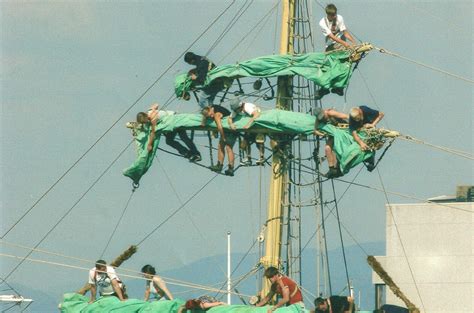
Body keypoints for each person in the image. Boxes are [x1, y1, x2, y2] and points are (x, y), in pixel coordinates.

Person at [315, 4, 357, 100]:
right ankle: (324, 88)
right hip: (331, 45)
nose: (335, 16)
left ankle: (339, 87)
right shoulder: (322, 23)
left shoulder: (339, 18)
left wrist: (354, 42)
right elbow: (331, 37)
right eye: (333, 15)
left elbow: (345, 32)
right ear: (328, 15)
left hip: (341, 43)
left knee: (344, 65)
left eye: (335, 14)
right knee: (327, 66)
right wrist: (345, 44)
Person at [137, 103, 201, 161]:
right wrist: (154, 109)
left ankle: (195, 153)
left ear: (146, 117)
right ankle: (187, 153)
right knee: (170, 141)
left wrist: (149, 145)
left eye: (144, 122)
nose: (145, 123)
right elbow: (156, 104)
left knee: (183, 137)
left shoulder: (153, 118)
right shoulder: (149, 111)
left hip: (175, 119)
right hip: (170, 123)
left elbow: (153, 132)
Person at [313, 107, 349, 179]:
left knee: (337, 148)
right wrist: (322, 134)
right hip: (333, 133)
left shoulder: (331, 113)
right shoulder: (318, 119)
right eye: (321, 118)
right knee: (327, 148)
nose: (323, 118)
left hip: (343, 131)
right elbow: (315, 130)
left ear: (324, 111)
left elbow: (347, 116)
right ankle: (331, 169)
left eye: (323, 116)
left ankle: (339, 167)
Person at [227, 98, 265, 166]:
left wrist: (248, 124)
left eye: (237, 109)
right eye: (235, 110)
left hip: (258, 125)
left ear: (240, 106)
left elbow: (256, 114)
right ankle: (248, 158)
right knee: (244, 143)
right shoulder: (237, 110)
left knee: (259, 141)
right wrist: (231, 124)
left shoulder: (247, 106)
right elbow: (230, 118)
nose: (236, 111)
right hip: (250, 128)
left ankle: (262, 157)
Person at [201, 105, 236, 176]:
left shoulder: (216, 114)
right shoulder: (211, 108)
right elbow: (205, 114)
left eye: (211, 115)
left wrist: (223, 137)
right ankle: (219, 165)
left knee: (228, 148)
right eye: (209, 116)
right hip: (226, 130)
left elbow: (220, 127)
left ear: (210, 110)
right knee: (220, 146)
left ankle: (231, 168)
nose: (211, 117)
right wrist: (204, 121)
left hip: (230, 129)